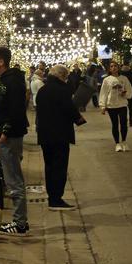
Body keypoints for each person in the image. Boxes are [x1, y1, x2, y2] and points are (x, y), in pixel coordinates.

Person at [0, 46, 29, 235]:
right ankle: (20, 221)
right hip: (9, 135)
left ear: (1, 61)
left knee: (13, 179)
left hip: (10, 136)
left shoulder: (11, 81)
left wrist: (3, 134)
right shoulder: (7, 79)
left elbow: (14, 110)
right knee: (13, 178)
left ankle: (20, 223)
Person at [35, 64, 86, 211]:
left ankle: (52, 197)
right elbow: (69, 108)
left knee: (49, 166)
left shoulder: (42, 90)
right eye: (66, 77)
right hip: (60, 134)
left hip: (45, 135)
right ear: (62, 76)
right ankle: (56, 200)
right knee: (59, 167)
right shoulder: (62, 90)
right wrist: (79, 119)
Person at [99, 60, 132, 152]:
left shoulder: (124, 79)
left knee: (123, 123)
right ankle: (117, 143)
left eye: (115, 66)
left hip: (122, 104)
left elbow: (129, 90)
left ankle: (124, 142)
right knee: (115, 124)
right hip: (111, 105)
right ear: (109, 69)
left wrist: (125, 94)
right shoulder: (107, 80)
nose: (113, 68)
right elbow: (103, 93)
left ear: (118, 67)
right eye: (111, 66)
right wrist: (103, 106)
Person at [120, 60, 132, 127]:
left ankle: (125, 120)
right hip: (131, 92)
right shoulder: (131, 72)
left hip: (122, 92)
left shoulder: (120, 72)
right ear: (128, 64)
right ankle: (131, 121)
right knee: (131, 107)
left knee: (123, 107)